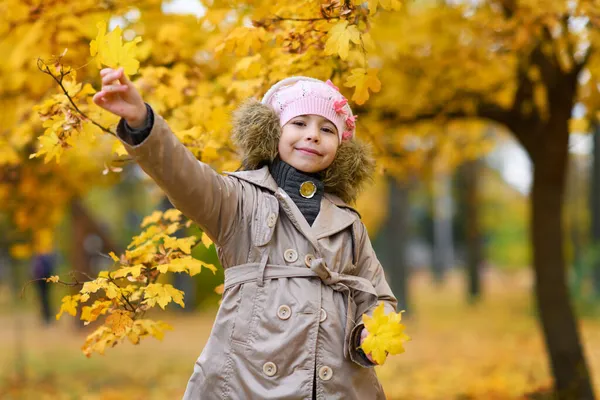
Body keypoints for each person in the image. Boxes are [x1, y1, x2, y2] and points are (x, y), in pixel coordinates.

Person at [93, 67, 398, 399]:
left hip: (333, 385)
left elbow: (378, 296)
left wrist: (371, 330)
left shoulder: (347, 221)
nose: (312, 135)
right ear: (271, 132)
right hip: (248, 380)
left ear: (341, 147)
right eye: (298, 123)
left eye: (327, 129)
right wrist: (142, 123)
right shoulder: (238, 200)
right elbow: (183, 177)